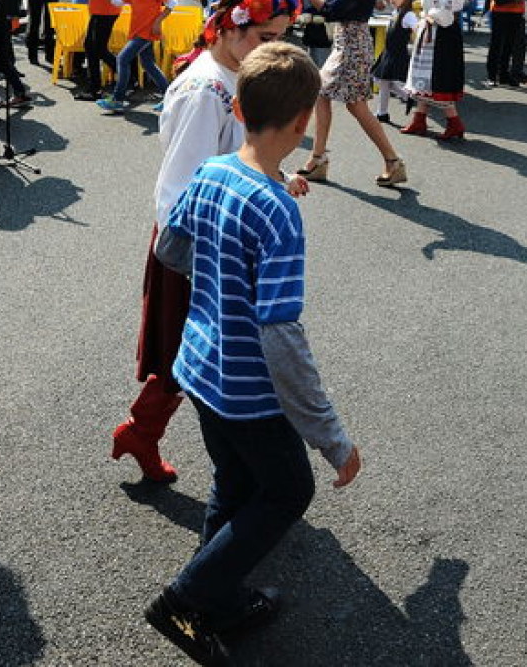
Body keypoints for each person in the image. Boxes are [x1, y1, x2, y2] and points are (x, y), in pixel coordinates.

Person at [145, 42, 361, 664]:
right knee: (288, 491)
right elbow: (281, 334)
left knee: (235, 482)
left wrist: (218, 279)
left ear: (237, 108)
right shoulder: (278, 214)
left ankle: (217, 596)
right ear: (302, 123)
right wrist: (331, 437)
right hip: (249, 386)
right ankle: (186, 598)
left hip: (201, 365)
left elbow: (171, 251)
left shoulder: (213, 174)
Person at [111, 0, 300, 485]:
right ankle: (237, 466)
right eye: (266, 37)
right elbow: (179, 186)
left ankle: (141, 432)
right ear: (232, 28)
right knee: (206, 351)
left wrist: (279, 175)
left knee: (197, 350)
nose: (274, 49)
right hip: (197, 241)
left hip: (220, 238)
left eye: (281, 37)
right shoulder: (205, 88)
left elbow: (240, 156)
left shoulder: (236, 76)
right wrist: (201, 256)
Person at [289, 0, 408, 187]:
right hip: (350, 43)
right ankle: (320, 159)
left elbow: (330, 8)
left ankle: (390, 160)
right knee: (334, 98)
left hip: (351, 45)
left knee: (354, 105)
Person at [402, 0, 470, 142]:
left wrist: (432, 17)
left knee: (437, 79)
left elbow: (444, 6)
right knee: (428, 79)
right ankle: (419, 119)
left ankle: (454, 123)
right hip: (438, 29)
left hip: (440, 30)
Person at [97, 0, 173, 113]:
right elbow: (121, 1)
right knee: (148, 64)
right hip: (137, 29)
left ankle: (117, 99)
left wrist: (158, 22)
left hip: (146, 30)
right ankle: (170, 98)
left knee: (122, 59)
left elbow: (171, 4)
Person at [372, 0, 416, 123]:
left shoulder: (408, 15)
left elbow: (417, 28)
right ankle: (405, 96)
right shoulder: (396, 12)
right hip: (389, 51)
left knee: (385, 81)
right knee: (384, 81)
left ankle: (382, 112)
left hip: (397, 52)